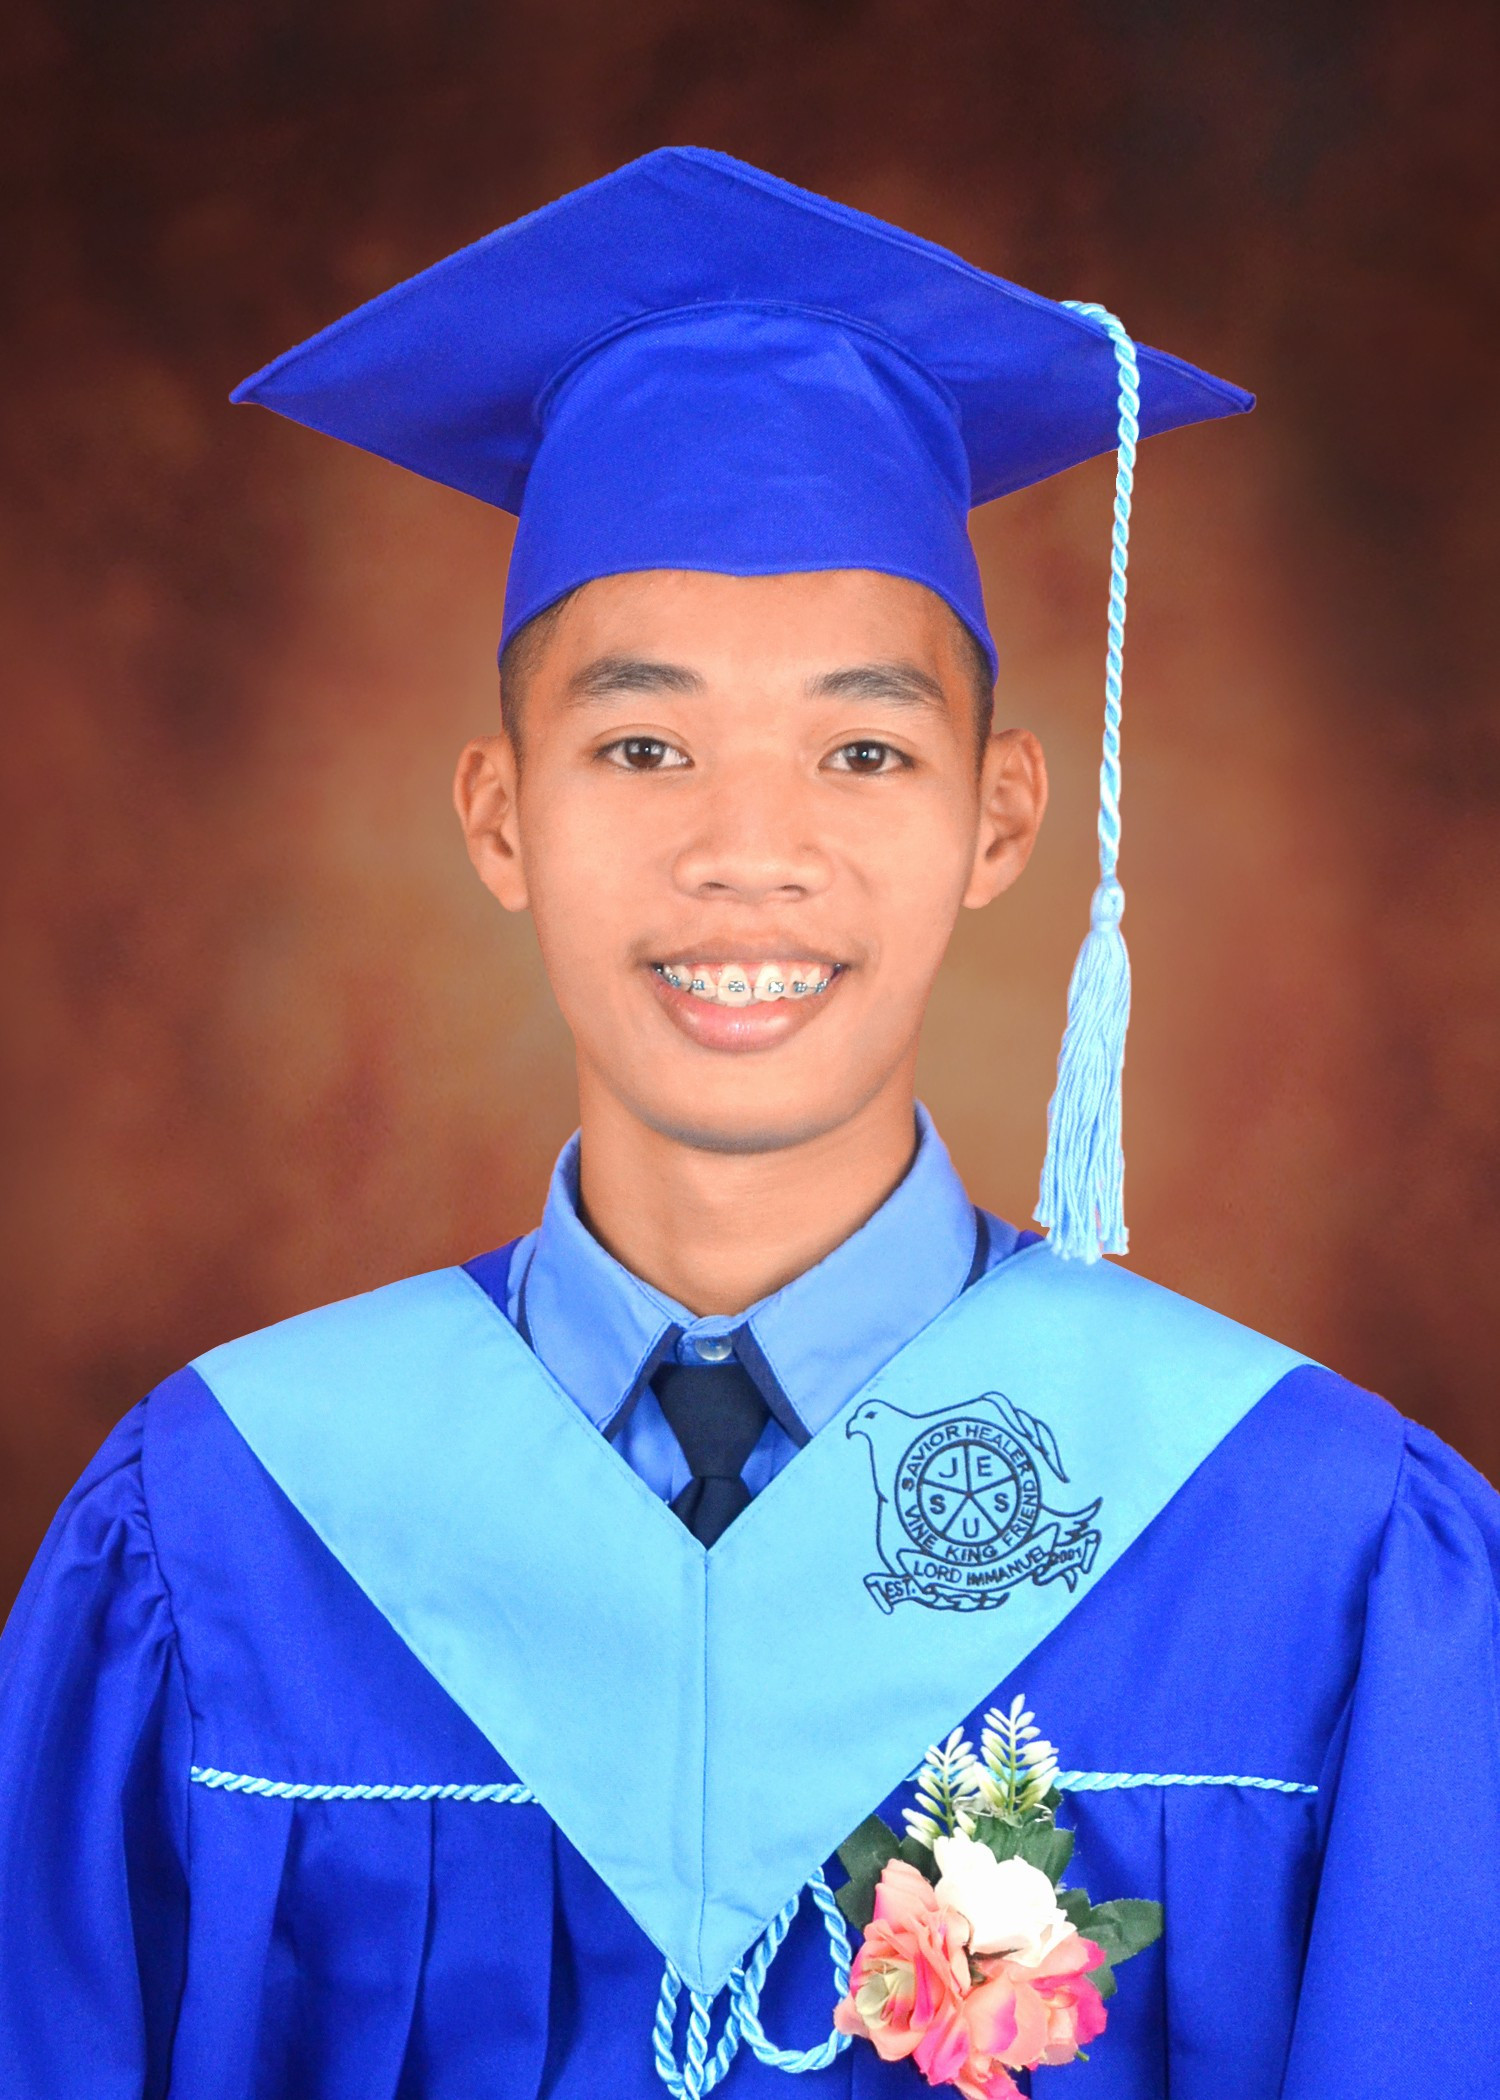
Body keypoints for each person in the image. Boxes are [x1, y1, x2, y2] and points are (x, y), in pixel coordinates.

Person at [0, 146, 1495, 2100]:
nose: (748, 853)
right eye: (643, 745)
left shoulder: (1313, 1548)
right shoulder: (215, 1541)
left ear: (1002, 820)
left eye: (862, 749)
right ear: (500, 817)